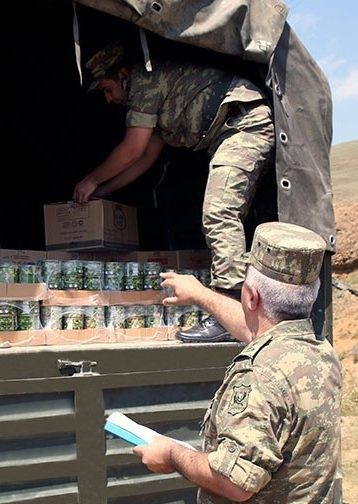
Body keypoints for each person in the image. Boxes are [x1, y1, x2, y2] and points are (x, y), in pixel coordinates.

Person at [136, 222, 341, 504]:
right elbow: (261, 333)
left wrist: (170, 454)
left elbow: (234, 481)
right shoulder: (315, 354)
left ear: (252, 296)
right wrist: (203, 295)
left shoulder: (263, 379)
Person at [73, 41, 275, 343]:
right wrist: (105, 190)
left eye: (107, 88)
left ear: (123, 74)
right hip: (231, 131)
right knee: (219, 211)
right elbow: (145, 158)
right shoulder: (150, 105)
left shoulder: (144, 81)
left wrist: (90, 180)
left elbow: (131, 150)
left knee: (219, 212)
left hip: (244, 125)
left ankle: (230, 311)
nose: (108, 98)